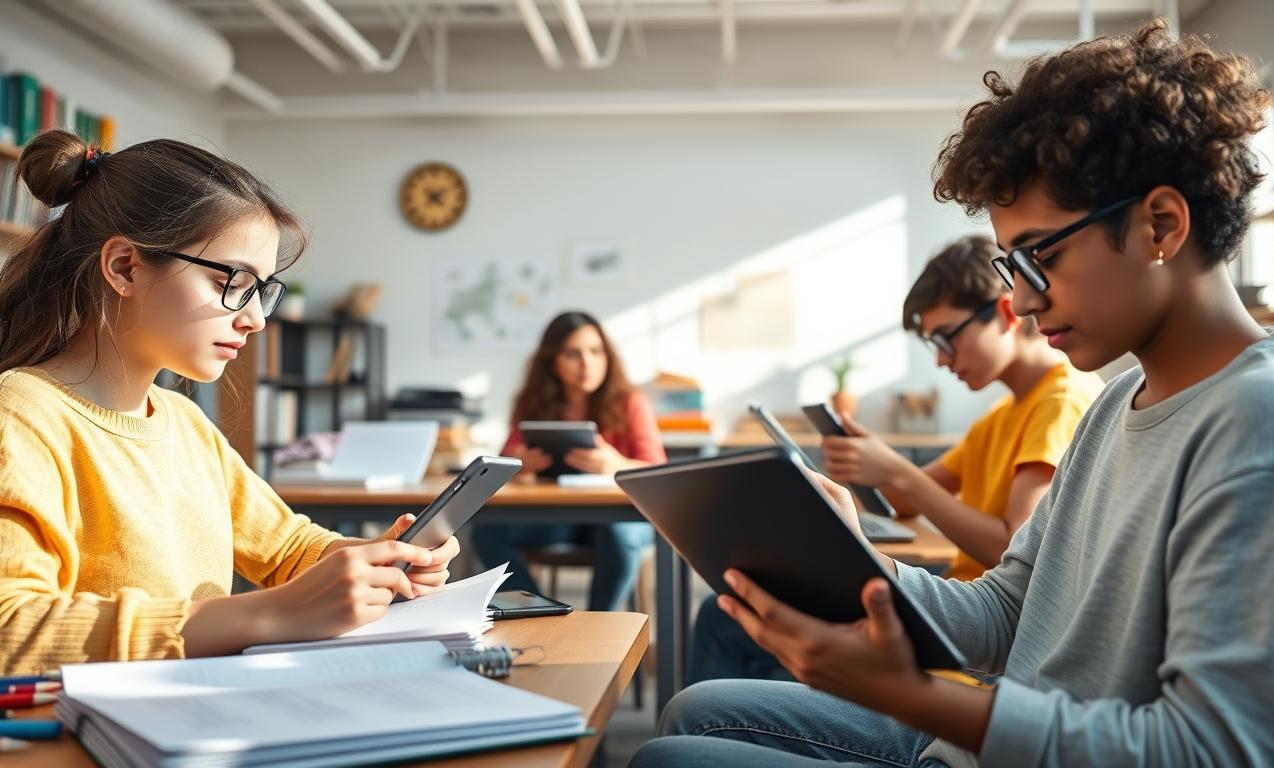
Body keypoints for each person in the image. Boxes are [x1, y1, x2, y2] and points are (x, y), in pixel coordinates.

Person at [633, 19, 1274, 767]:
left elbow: (1211, 751)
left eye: (1039, 260)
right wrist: (857, 562)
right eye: (1012, 271)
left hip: (1008, 741)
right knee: (695, 709)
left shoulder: (1269, 425)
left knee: (670, 759)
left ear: (1160, 224)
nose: (1025, 304)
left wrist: (911, 694)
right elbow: (1009, 609)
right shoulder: (1117, 400)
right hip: (989, 734)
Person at [0, 130, 458, 675]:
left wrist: (374, 560)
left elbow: (288, 547)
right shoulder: (22, 415)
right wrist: (266, 615)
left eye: (261, 289)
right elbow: (14, 629)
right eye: (232, 281)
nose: (255, 318)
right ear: (124, 267)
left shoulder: (183, 423)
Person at [688, 237, 1102, 684]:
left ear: (1004, 313)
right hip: (956, 613)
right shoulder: (1003, 414)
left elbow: (1008, 547)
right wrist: (861, 473)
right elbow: (903, 503)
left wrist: (897, 470)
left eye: (946, 338)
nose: (943, 360)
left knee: (734, 623)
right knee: (735, 614)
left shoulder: (1061, 404)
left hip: (976, 644)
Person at [471, 311, 665, 611]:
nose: (587, 363)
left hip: (621, 519)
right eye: (573, 353)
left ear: (608, 356)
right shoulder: (532, 404)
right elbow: (505, 466)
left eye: (595, 351)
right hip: (561, 518)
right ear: (552, 361)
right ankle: (541, 612)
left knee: (618, 534)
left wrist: (615, 464)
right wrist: (519, 466)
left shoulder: (631, 402)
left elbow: (658, 473)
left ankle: (601, 629)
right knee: (486, 531)